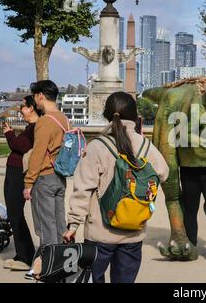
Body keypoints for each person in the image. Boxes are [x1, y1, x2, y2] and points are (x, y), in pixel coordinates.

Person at [63, 92, 169, 283]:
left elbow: (83, 189)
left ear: (107, 115)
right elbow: (164, 173)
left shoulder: (97, 146)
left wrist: (73, 224)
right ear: (135, 116)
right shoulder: (146, 146)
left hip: (99, 234)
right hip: (133, 233)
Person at [23, 80, 70, 248]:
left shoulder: (44, 121)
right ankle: (61, 264)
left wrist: (28, 183)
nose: (35, 101)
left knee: (45, 227)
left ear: (40, 96)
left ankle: (48, 267)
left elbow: (38, 154)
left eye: (35, 96)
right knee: (59, 224)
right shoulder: (64, 119)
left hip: (44, 179)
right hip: (60, 177)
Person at [2, 96, 41, 271]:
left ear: (32, 108)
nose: (20, 110)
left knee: (16, 213)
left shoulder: (36, 127)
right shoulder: (29, 127)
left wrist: (9, 133)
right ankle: (22, 254)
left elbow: (22, 146)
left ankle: (26, 258)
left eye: (22, 106)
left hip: (19, 174)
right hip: (13, 171)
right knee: (12, 212)